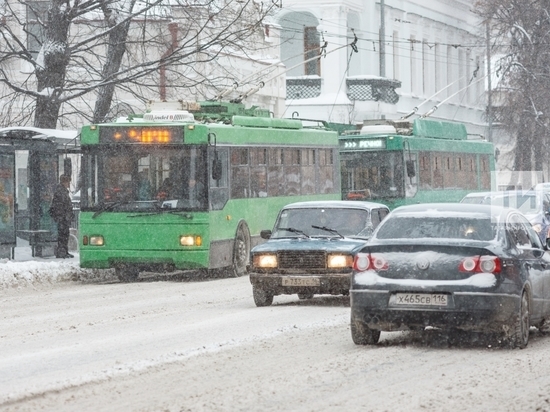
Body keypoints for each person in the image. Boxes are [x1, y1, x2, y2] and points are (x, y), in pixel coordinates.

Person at [49, 174, 74, 258]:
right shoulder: (61, 192)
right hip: (62, 218)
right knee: (63, 235)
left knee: (65, 234)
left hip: (63, 217)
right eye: (68, 182)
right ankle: (62, 252)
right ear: (64, 182)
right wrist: (64, 215)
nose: (69, 184)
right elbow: (61, 205)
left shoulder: (62, 191)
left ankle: (64, 251)